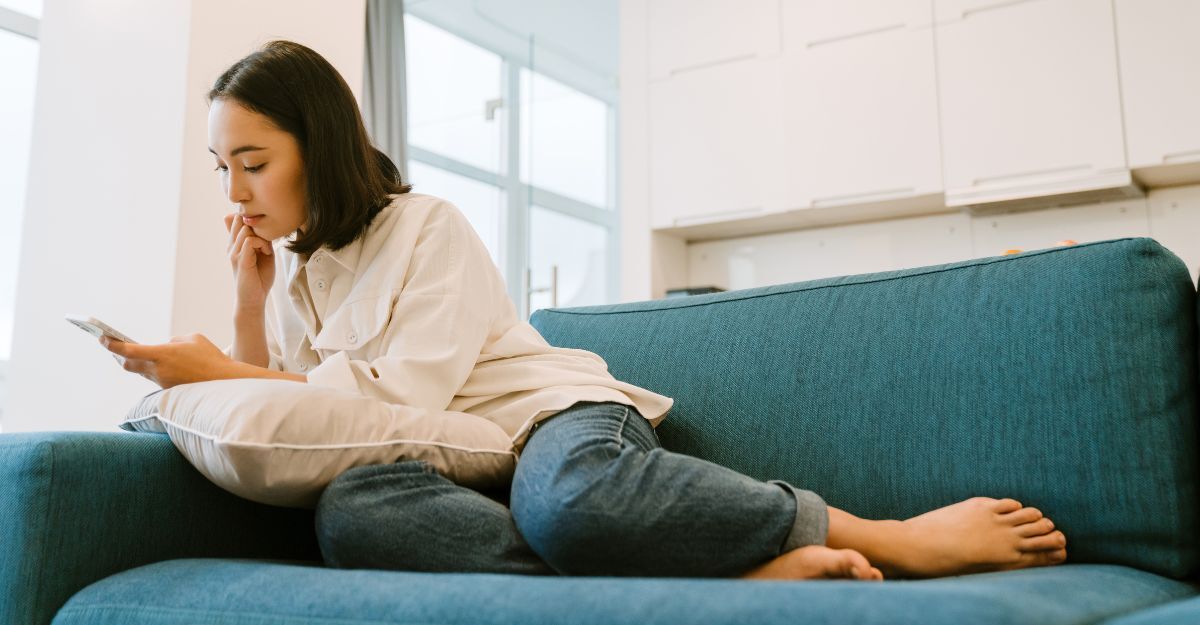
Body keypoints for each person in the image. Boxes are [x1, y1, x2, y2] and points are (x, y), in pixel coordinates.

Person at [100, 40, 1068, 581]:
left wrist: (217, 373)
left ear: (317, 142)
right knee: (353, 518)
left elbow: (390, 401)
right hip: (458, 470)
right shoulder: (303, 276)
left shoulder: (425, 226)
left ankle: (877, 532)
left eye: (253, 163)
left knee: (563, 500)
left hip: (549, 429)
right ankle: (728, 578)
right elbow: (302, 414)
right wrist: (249, 300)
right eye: (221, 168)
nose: (234, 190)